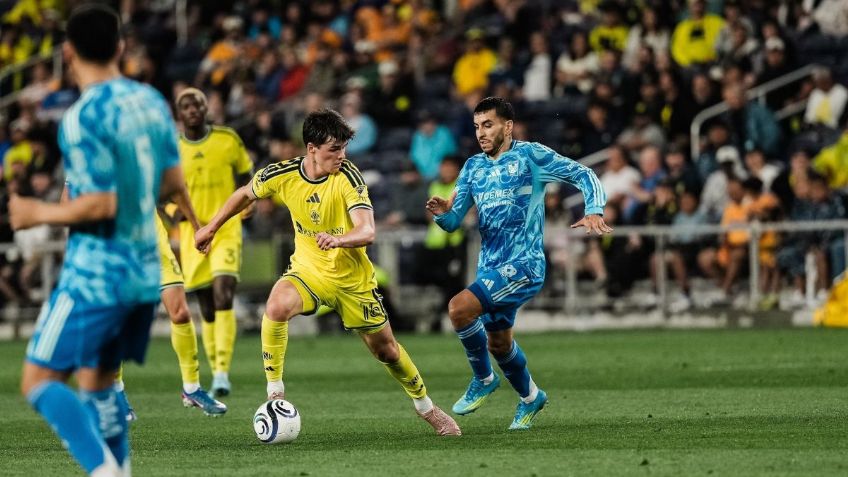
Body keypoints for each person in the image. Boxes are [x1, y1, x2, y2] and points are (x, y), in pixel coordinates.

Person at [194, 109, 461, 436]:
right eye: (334, 149)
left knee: (387, 350)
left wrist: (339, 239)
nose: (342, 155)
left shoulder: (349, 177)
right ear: (311, 148)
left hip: (352, 280)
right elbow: (245, 193)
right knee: (276, 306)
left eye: (344, 148)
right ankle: (275, 394)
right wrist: (211, 227)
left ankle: (426, 407)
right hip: (309, 272)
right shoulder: (283, 174)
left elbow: (368, 230)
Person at [11, 5, 186, 476]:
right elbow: (173, 182)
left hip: (97, 274)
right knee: (98, 383)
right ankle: (119, 470)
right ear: (121, 48)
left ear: (68, 52)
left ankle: (102, 470)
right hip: (144, 273)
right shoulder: (150, 101)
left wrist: (34, 213)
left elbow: (99, 205)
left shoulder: (82, 117)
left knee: (37, 380)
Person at [426, 97, 611, 430]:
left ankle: (483, 379)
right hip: (491, 267)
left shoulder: (531, 156)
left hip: (524, 265)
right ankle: (531, 397)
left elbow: (584, 174)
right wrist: (442, 213)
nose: (481, 133)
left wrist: (594, 209)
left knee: (458, 309)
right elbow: (454, 221)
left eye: (488, 125)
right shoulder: (473, 167)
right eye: (477, 126)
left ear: (508, 126)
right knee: (498, 343)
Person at [175, 87, 254, 397]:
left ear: (206, 108)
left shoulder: (227, 139)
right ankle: (215, 369)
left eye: (197, 104)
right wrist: (172, 217)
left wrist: (250, 199)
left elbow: (246, 173)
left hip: (226, 226)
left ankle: (222, 373)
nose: (193, 110)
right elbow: (161, 191)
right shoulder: (172, 148)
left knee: (224, 293)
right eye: (186, 106)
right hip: (191, 232)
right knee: (206, 306)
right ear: (179, 113)